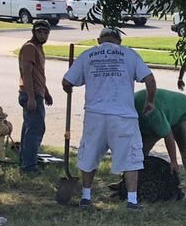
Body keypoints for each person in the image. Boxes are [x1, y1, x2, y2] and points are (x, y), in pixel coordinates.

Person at [62, 26, 156, 210]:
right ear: (119, 41)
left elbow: (67, 81)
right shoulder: (129, 54)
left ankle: (86, 197)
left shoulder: (88, 55)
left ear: (100, 40)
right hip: (123, 116)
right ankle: (132, 201)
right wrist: (150, 101)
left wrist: (68, 87)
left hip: (95, 115)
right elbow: (150, 80)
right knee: (130, 157)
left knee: (89, 154)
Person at [133, 88, 186, 198]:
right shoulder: (125, 113)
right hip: (162, 114)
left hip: (184, 112)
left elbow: (168, 135)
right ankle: (130, 180)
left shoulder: (150, 112)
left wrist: (173, 161)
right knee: (140, 149)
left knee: (185, 146)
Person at [18, 19, 53, 172]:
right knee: (35, 129)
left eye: (45, 32)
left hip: (38, 93)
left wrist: (46, 92)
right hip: (30, 94)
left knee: (29, 128)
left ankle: (24, 160)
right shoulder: (29, 48)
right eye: (39, 32)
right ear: (33, 32)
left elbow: (38, 74)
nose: (43, 35)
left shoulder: (38, 48)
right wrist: (31, 97)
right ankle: (29, 166)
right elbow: (27, 73)